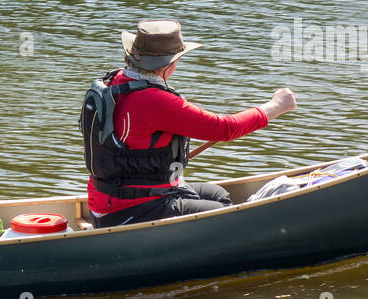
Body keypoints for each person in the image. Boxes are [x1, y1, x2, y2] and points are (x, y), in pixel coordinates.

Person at [83, 20, 296, 228]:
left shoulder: (116, 82)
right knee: (222, 213)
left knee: (218, 195)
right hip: (128, 210)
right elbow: (225, 128)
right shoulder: (153, 100)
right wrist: (276, 106)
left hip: (108, 200)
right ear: (168, 65)